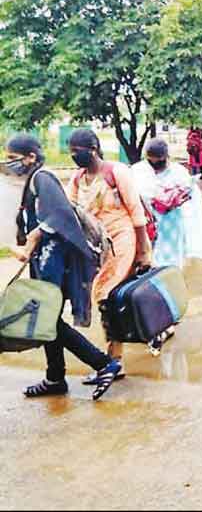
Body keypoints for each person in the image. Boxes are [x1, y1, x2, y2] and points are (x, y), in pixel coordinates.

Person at [4, 134, 122, 400]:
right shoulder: (34, 179)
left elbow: (60, 215)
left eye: (13, 159)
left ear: (31, 157)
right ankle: (55, 377)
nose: (9, 164)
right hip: (45, 261)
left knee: (48, 321)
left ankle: (104, 364)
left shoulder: (42, 178)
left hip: (53, 263)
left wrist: (34, 236)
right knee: (48, 321)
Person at [65, 129, 151, 384]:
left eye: (76, 151)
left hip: (122, 239)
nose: (73, 156)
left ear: (93, 149)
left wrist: (143, 250)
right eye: (70, 151)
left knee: (106, 295)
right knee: (112, 297)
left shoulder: (117, 172)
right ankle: (123, 352)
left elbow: (136, 212)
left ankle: (113, 361)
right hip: (97, 246)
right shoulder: (78, 178)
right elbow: (70, 211)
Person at [131, 137, 202, 270]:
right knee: (149, 262)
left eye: (158, 162)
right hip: (147, 226)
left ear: (166, 157)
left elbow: (192, 200)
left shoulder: (178, 172)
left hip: (171, 226)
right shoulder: (138, 171)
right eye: (151, 162)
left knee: (171, 264)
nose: (155, 166)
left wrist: (174, 199)